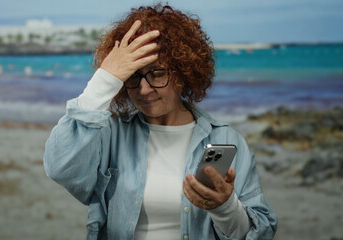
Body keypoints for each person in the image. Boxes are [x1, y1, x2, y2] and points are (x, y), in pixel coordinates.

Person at [44, 4, 277, 240]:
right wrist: (105, 79)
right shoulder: (109, 134)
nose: (144, 89)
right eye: (133, 76)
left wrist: (225, 208)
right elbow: (60, 167)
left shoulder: (226, 140)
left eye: (157, 74)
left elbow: (261, 233)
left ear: (184, 72)